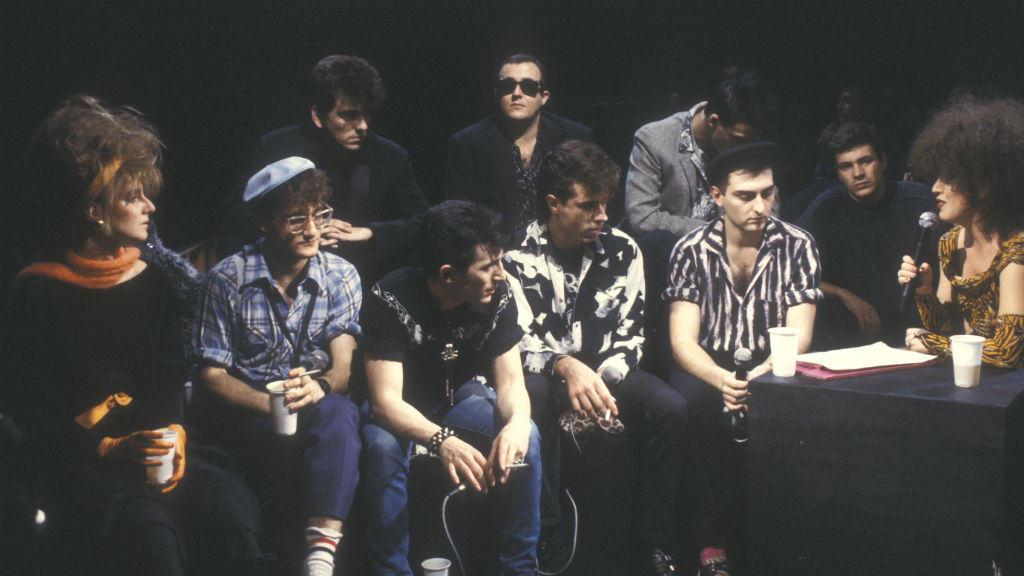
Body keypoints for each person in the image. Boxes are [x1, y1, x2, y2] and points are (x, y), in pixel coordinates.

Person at [1, 95, 266, 576]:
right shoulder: (38, 291)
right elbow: (32, 411)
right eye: (134, 197)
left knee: (230, 512)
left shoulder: (156, 280)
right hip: (79, 458)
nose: (150, 206)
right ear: (95, 209)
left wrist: (173, 436)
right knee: (148, 532)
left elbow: (169, 375)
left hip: (156, 444)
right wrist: (107, 448)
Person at [503, 140, 688, 576]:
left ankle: (656, 543)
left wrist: (602, 378)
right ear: (554, 203)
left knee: (671, 407)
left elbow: (632, 334)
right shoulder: (514, 256)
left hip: (608, 372)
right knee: (531, 393)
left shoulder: (624, 250)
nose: (602, 215)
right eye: (589, 206)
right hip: (545, 373)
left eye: (605, 203)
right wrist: (565, 367)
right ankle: (547, 530)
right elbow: (517, 340)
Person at [193, 156, 362, 576]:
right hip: (250, 415)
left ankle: (321, 555)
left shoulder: (341, 275)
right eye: (296, 219)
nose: (312, 230)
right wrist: (273, 404)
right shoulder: (226, 280)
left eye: (320, 215)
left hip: (316, 403)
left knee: (340, 410)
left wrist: (320, 387)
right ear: (264, 222)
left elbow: (343, 367)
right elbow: (211, 374)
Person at [664, 142, 822, 575]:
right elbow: (682, 341)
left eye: (767, 193)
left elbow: (801, 335)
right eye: (745, 196)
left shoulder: (798, 245)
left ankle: (779, 540)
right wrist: (724, 380)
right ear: (717, 196)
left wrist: (758, 378)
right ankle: (708, 539)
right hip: (708, 361)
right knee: (691, 404)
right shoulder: (690, 249)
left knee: (792, 404)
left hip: (775, 359)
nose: (760, 206)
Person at [360, 200, 541, 576]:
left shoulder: (498, 295)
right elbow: (385, 402)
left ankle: (519, 568)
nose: (501, 275)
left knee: (530, 437)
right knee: (381, 447)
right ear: (448, 275)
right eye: (488, 267)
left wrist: (517, 424)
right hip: (402, 409)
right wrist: (441, 440)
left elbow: (511, 383)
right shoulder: (390, 296)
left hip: (458, 399)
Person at [225, 54, 429, 287]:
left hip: (366, 281)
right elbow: (236, 213)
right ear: (318, 116)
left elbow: (424, 221)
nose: (363, 126)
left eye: (366, 115)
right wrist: (302, 232)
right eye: (349, 115)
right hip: (283, 277)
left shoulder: (390, 156)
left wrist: (370, 232)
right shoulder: (278, 146)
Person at [624, 67, 777, 376]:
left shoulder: (745, 143)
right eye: (738, 139)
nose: (744, 148)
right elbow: (642, 217)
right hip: (670, 259)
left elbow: (771, 214)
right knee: (657, 242)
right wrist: (717, 233)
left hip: (732, 258)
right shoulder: (655, 138)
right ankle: (666, 360)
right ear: (714, 121)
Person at [898, 95, 1024, 368]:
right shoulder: (950, 243)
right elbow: (943, 326)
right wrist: (924, 291)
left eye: (948, 179)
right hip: (977, 376)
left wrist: (936, 345)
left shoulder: (1016, 252)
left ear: (984, 185)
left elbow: (1007, 352)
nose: (935, 188)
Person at [798, 122, 940, 348]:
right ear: (837, 173)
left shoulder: (919, 201)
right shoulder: (826, 209)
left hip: (917, 334)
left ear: (883, 161)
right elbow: (793, 274)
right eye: (846, 166)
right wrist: (841, 293)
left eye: (865, 161)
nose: (858, 173)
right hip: (851, 339)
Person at [444, 53, 595, 233]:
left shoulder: (576, 137)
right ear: (497, 94)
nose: (516, 93)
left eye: (528, 87)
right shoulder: (468, 144)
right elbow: (459, 217)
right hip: (496, 246)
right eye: (507, 86)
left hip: (562, 243)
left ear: (544, 96)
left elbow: (595, 199)